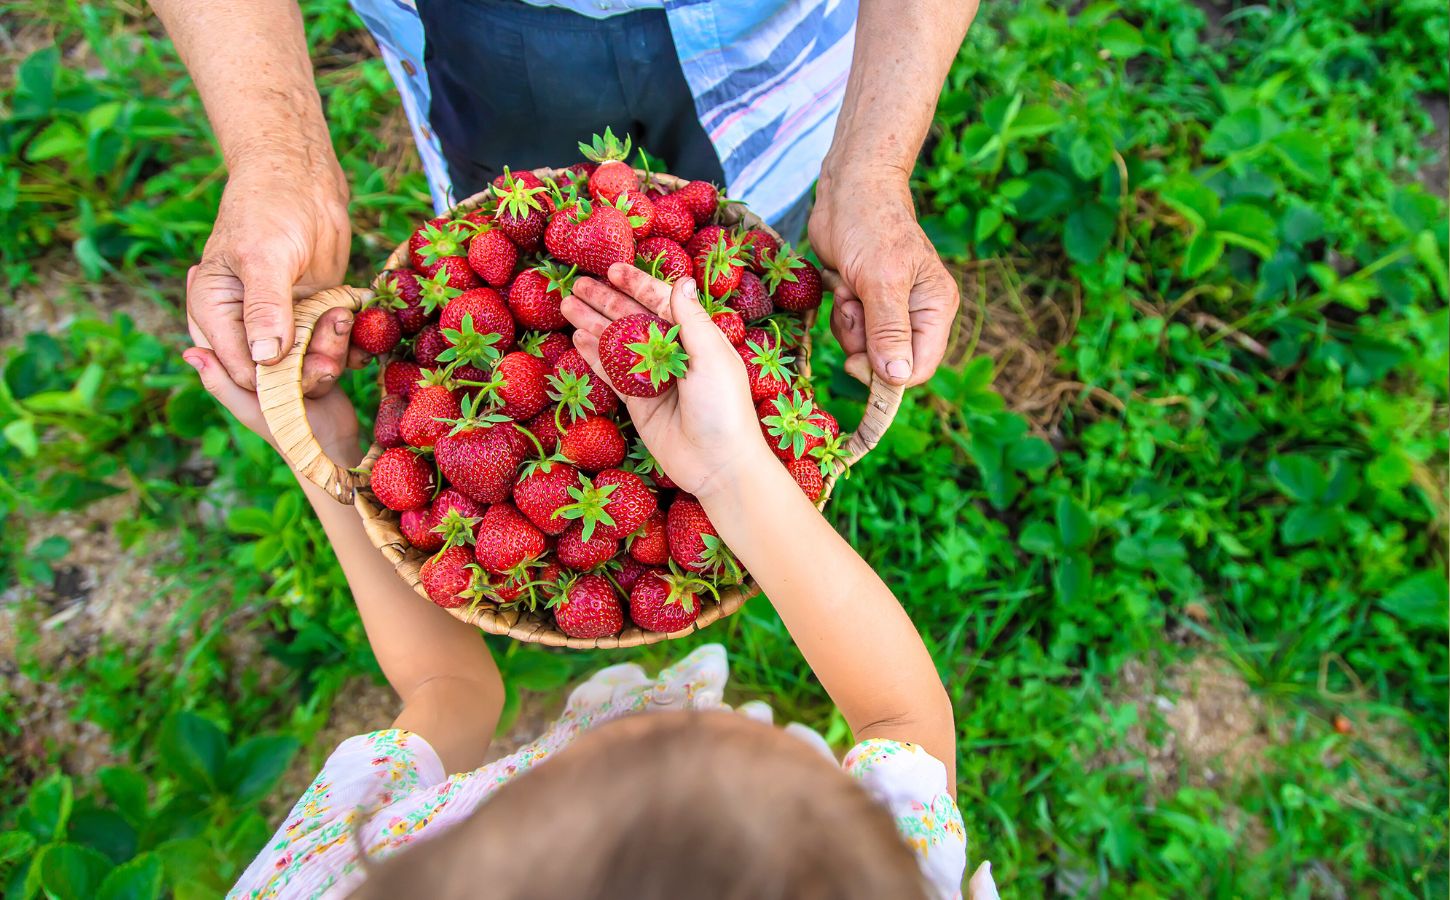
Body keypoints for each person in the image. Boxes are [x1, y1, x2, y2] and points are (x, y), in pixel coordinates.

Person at [181, 265, 997, 899]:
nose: (699, 718)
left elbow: (447, 689)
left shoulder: (328, 881)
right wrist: (733, 471)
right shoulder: (876, 881)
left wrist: (329, 451)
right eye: (771, 744)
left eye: (586, 756)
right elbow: (903, 718)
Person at [152, 0, 977, 401]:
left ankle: (737, 363)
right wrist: (278, 154)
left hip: (778, 25)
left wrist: (868, 169)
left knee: (754, 251)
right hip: (473, 18)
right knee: (510, 225)